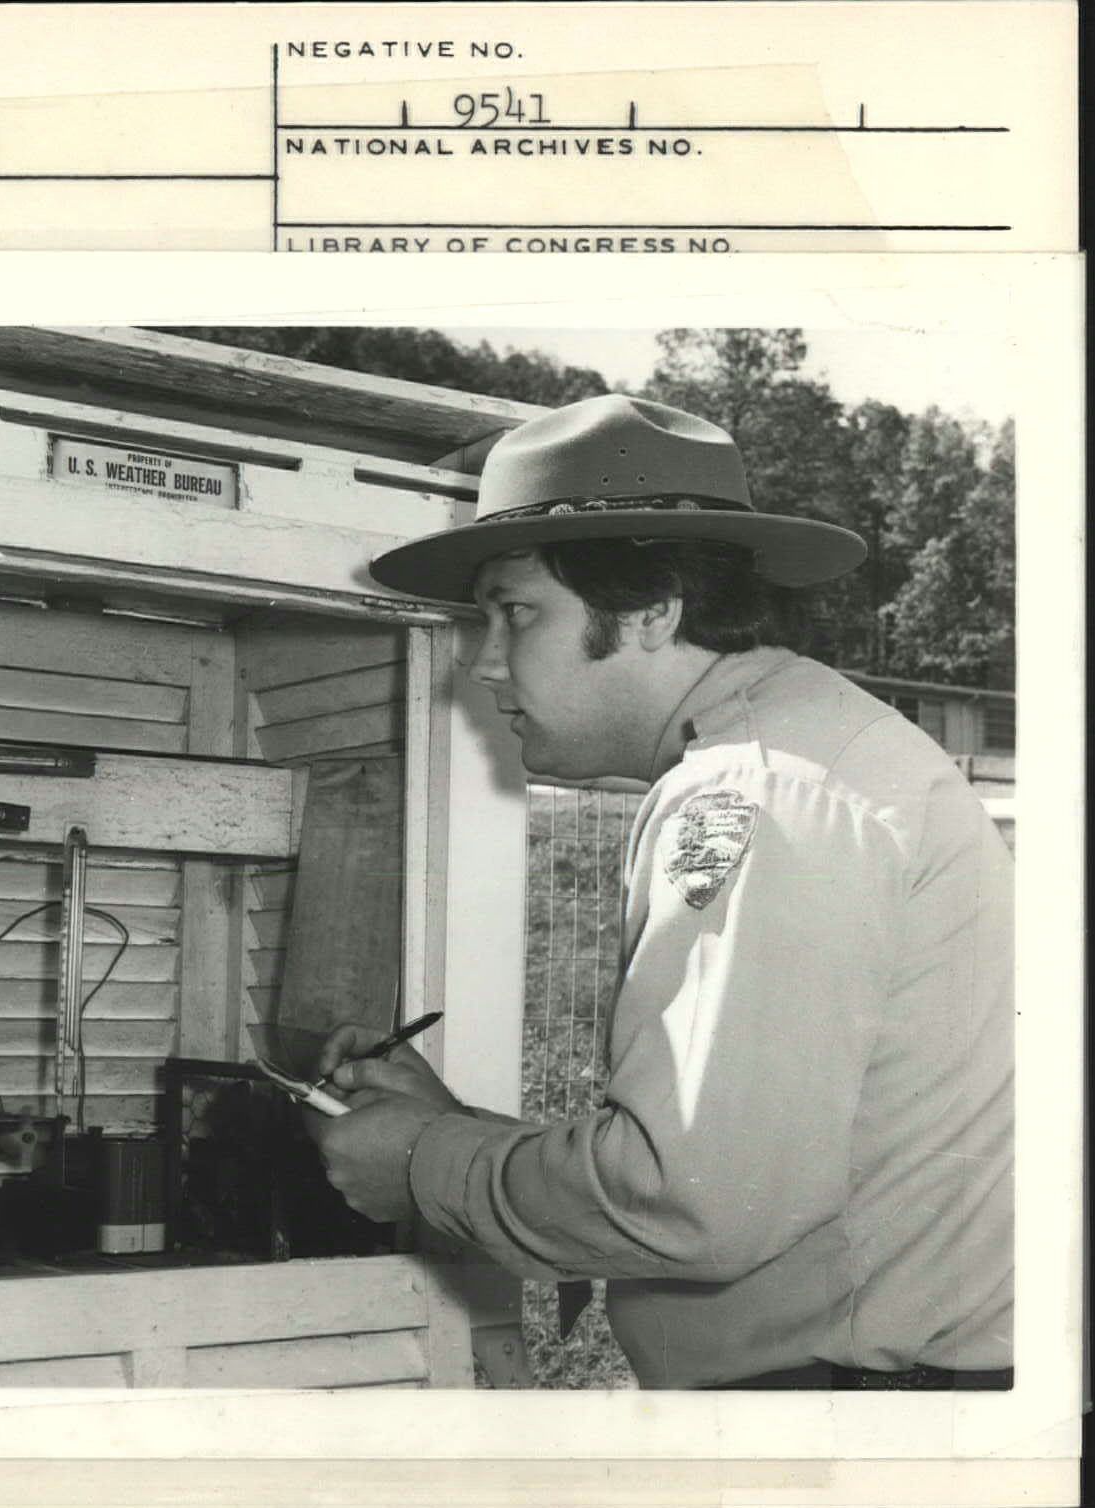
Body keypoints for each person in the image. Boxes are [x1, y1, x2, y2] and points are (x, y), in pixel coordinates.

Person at [313, 393, 1014, 1390]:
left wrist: (426, 1159)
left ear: (650, 607)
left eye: (515, 613)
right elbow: (748, 1161)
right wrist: (456, 1130)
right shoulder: (812, 750)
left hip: (841, 1411)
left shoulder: (746, 794)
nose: (485, 662)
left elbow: (697, 1200)